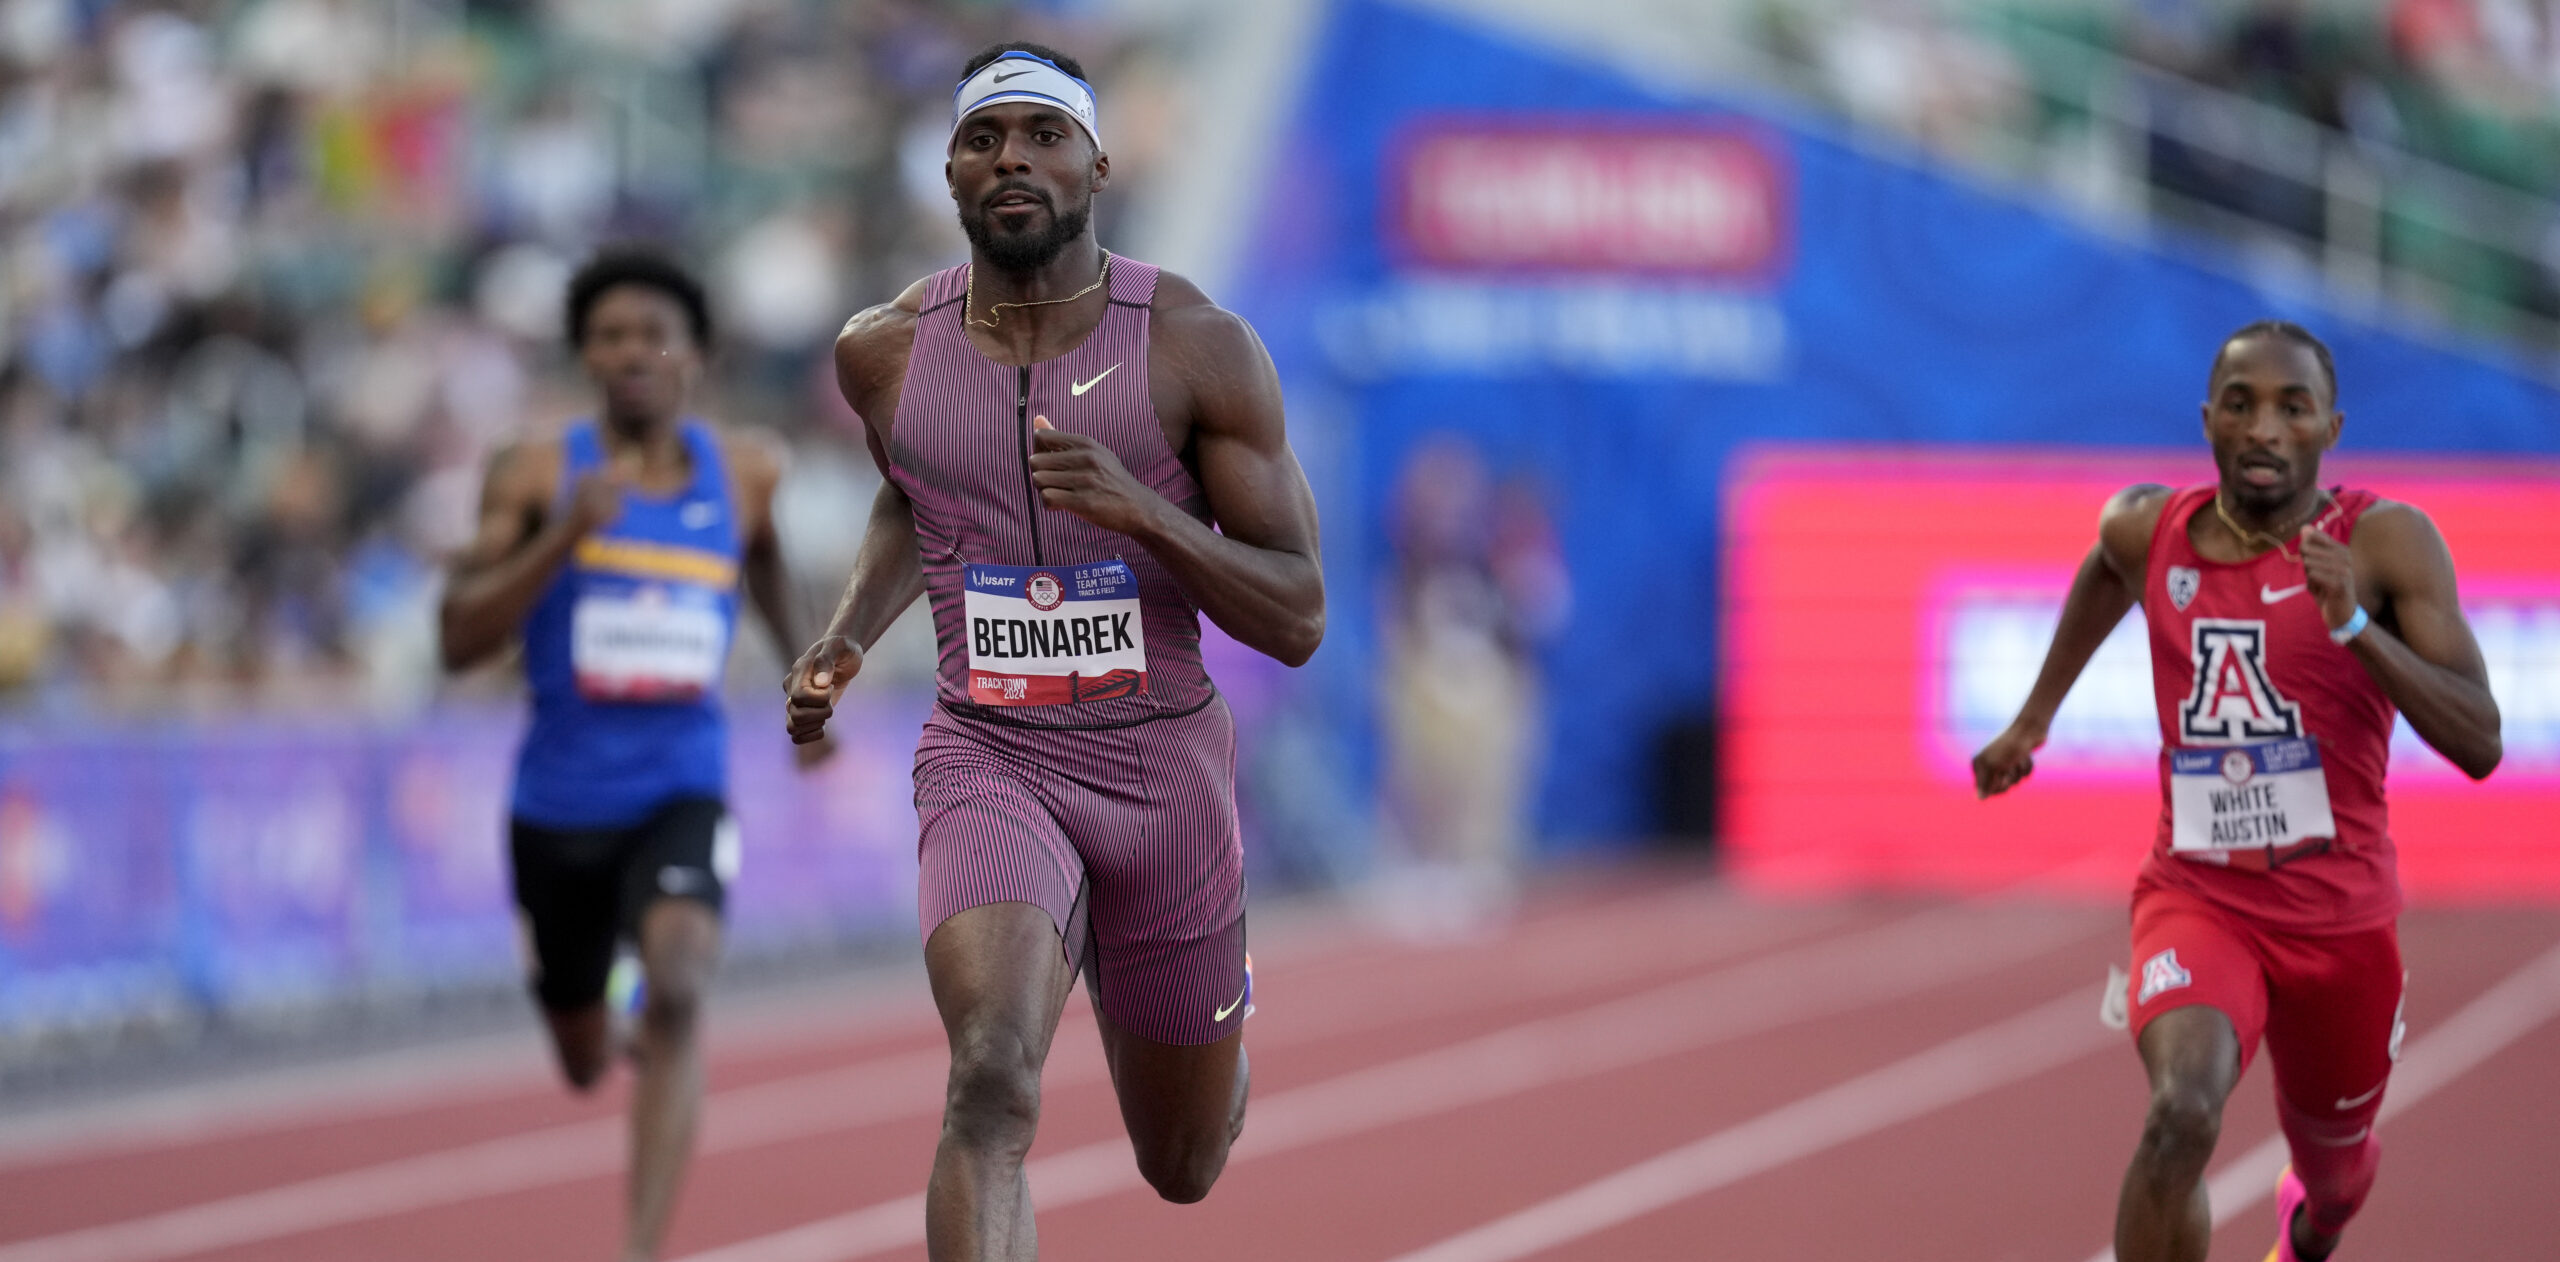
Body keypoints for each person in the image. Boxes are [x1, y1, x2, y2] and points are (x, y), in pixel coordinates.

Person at [782, 41, 1323, 1262]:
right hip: (990, 751)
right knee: (990, 1077)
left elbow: (1296, 614)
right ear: (950, 173)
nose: (1011, 159)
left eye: (1041, 135)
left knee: (1181, 1163)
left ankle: (1212, 1018)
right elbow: (916, 490)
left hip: (1161, 763)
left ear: (1098, 163)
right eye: (984, 139)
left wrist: (1144, 510)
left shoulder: (1196, 345)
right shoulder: (883, 351)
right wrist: (847, 633)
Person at [1973, 321, 2501, 1262]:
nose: (2264, 428)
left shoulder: (2386, 545)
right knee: (2181, 1115)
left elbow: (2481, 741)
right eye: (2242, 405)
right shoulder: (2150, 527)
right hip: (2199, 897)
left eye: (2291, 409)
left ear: (2330, 427)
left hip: (2340, 923)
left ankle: (2315, 1216)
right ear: (2207, 419)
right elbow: (2106, 568)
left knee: (2336, 1184)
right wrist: (2034, 718)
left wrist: (2353, 629)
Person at [440, 246, 827, 1262]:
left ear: (692, 351)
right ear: (584, 356)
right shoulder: (530, 471)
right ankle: (602, 1005)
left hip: (680, 783)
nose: (632, 352)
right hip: (557, 805)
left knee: (685, 978)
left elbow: (769, 566)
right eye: (609, 335)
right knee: (580, 1058)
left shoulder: (744, 470)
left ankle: (642, 1247)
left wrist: (806, 677)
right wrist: (561, 535)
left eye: (653, 331)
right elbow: (457, 637)